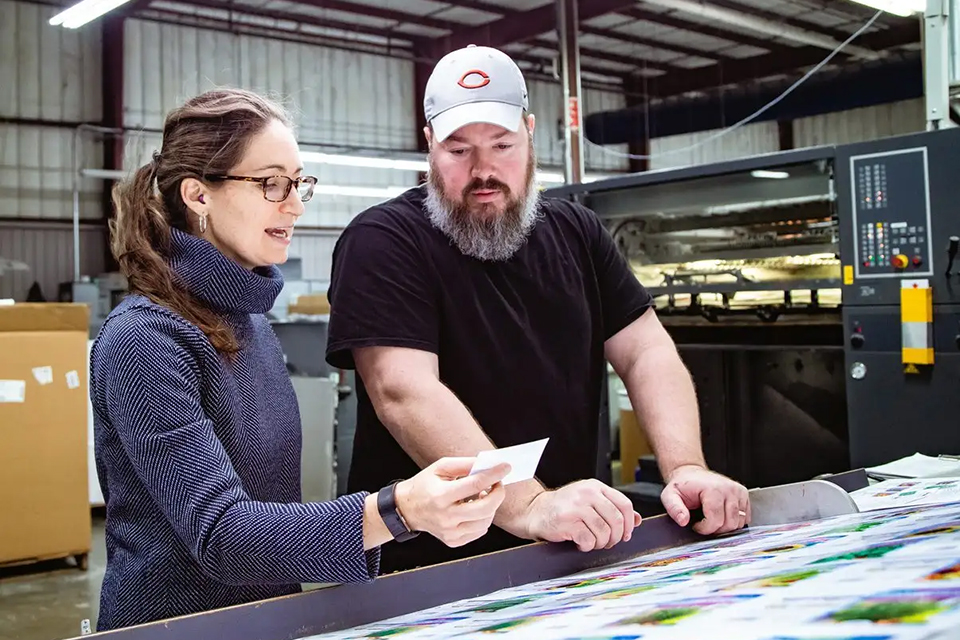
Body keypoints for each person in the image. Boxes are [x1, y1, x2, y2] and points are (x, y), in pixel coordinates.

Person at [88, 87, 512, 632]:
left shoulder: (251, 324)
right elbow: (223, 534)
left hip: (267, 619)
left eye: (298, 184)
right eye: (271, 184)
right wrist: (396, 510)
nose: (293, 204)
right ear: (198, 195)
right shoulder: (144, 340)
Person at [325, 45, 751, 575]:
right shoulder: (383, 240)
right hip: (429, 567)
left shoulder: (577, 232)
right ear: (430, 143)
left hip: (566, 546)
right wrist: (527, 504)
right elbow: (404, 390)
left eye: (502, 145)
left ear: (529, 132)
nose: (483, 170)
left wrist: (686, 466)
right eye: (459, 150)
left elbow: (644, 351)